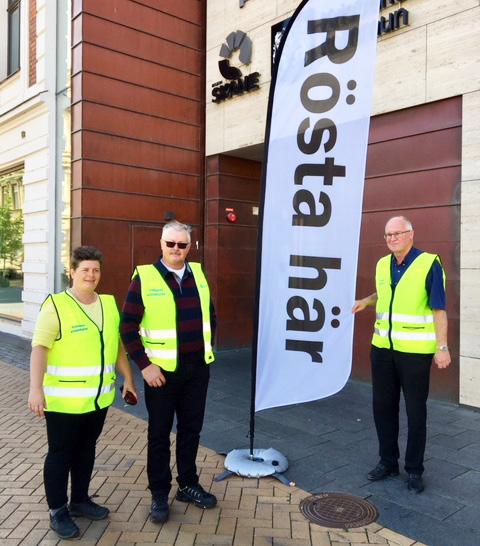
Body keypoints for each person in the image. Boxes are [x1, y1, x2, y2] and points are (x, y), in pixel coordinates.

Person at [28, 246, 137, 539]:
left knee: (86, 451)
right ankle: (57, 511)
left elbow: (117, 350)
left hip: (99, 399)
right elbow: (40, 348)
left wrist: (129, 380)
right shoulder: (56, 305)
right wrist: (35, 389)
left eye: (96, 270)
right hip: (63, 402)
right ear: (72, 272)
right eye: (85, 269)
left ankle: (79, 500)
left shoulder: (109, 304)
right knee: (60, 455)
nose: (91, 275)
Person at [121, 220, 217, 524]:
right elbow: (127, 327)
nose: (176, 249)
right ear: (161, 244)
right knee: (159, 434)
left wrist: (205, 352)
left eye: (182, 245)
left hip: (196, 370)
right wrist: (145, 367)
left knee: (191, 430)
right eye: (170, 244)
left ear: (190, 246)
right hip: (160, 374)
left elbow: (210, 316)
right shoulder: (145, 277)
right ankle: (159, 493)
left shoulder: (198, 274)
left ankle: (187, 485)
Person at [352, 216, 450, 493]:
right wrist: (365, 301)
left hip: (415, 353)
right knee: (382, 407)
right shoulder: (383, 264)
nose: (392, 238)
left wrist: (442, 347)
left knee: (415, 411)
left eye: (397, 233)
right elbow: (384, 295)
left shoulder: (429, 263)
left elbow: (438, 308)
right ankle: (388, 461)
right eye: (387, 235)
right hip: (382, 349)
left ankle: (414, 470)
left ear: (411, 234)